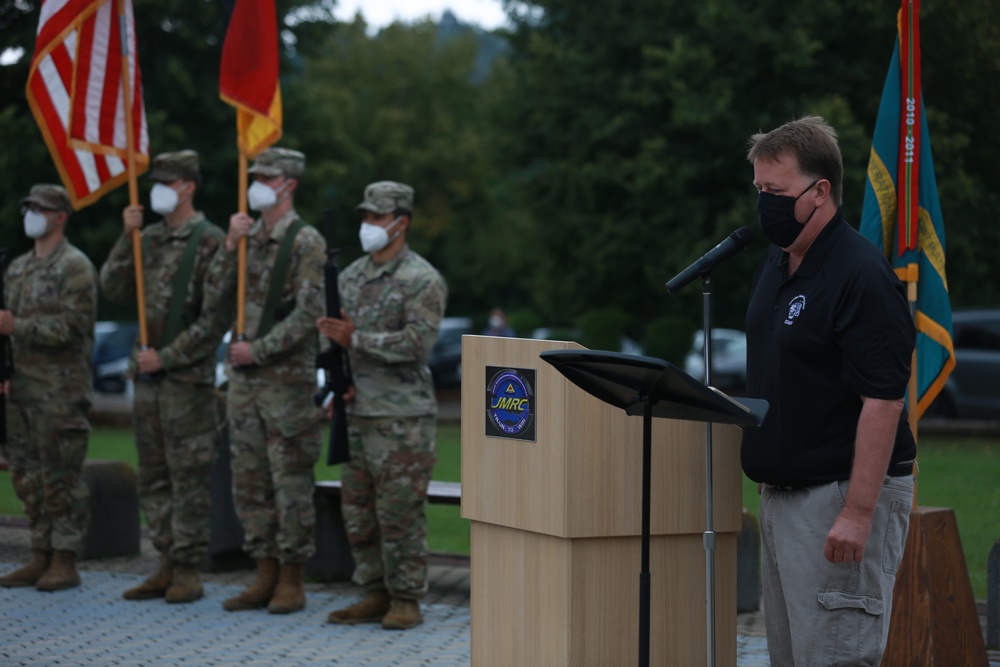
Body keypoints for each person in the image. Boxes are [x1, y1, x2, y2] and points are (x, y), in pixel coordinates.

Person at [742, 116, 917, 666]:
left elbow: (884, 400)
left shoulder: (860, 275)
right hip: (784, 498)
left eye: (777, 191)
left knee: (836, 655)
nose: (765, 203)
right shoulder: (779, 261)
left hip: (839, 498)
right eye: (759, 191)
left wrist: (860, 512)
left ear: (820, 192)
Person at [99, 151, 232, 603]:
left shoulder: (209, 239)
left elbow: (215, 319)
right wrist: (126, 234)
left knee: (187, 477)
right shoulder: (149, 237)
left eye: (166, 181)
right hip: (148, 381)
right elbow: (113, 288)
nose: (157, 188)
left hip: (185, 383)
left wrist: (169, 358)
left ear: (187, 187)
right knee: (153, 476)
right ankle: (165, 562)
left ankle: (189, 568)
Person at [317, 181, 447, 631]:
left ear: (401, 222)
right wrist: (338, 382)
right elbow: (331, 338)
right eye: (365, 217)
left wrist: (357, 340)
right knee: (359, 511)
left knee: (399, 514)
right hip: (356, 413)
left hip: (401, 418)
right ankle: (373, 591)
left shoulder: (423, 279)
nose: (367, 225)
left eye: (376, 217)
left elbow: (417, 344)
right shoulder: (350, 276)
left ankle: (406, 598)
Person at [222, 147, 326, 615]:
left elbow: (310, 313)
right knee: (249, 482)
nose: (258, 181)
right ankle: (263, 571)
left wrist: (257, 350)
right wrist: (229, 246)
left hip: (285, 384)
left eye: (268, 175)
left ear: (290, 185)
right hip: (244, 384)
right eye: (255, 174)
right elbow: (218, 296)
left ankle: (291, 578)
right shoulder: (247, 238)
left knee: (289, 484)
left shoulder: (306, 241)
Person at [0, 184, 97, 591]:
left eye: (39, 208)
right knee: (26, 475)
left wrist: (17, 326)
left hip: (59, 393)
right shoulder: (18, 267)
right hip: (20, 390)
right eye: (28, 208)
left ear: (60, 216)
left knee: (60, 478)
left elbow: (75, 329)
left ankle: (65, 559)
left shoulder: (75, 266)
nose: (31, 214)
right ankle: (39, 553)